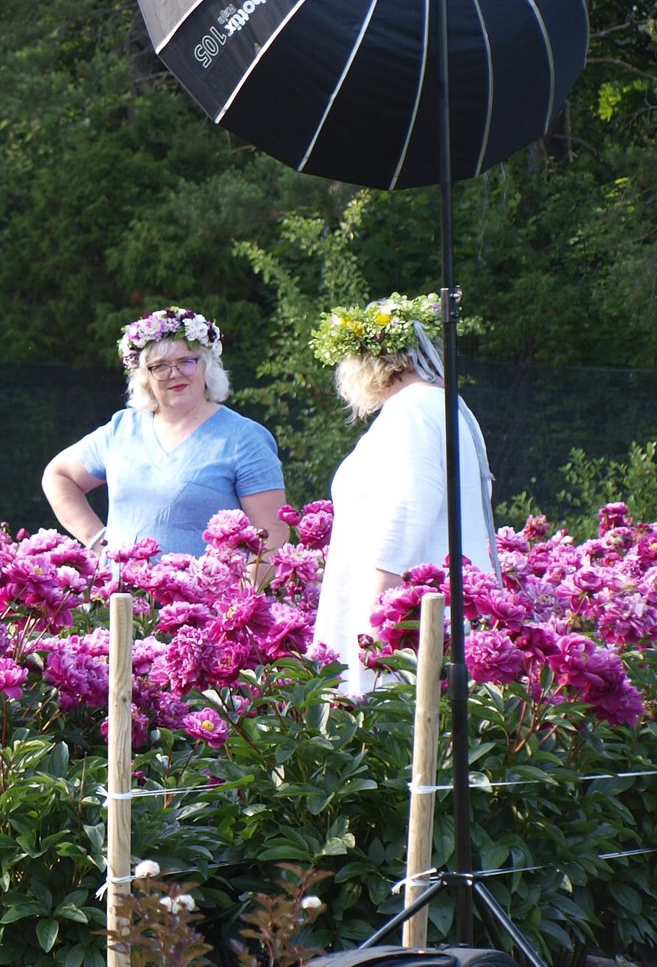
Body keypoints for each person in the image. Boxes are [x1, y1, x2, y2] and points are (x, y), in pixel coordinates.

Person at [311, 292, 498, 700]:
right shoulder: (445, 407)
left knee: (398, 728)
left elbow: (405, 517)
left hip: (408, 629)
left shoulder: (411, 411)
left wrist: (373, 633)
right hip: (441, 611)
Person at [43, 306, 289, 559]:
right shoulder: (122, 429)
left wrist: (245, 585)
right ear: (145, 376)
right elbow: (59, 475)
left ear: (206, 367)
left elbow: (271, 533)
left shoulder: (244, 438)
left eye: (186, 362)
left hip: (207, 585)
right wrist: (98, 542)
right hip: (121, 585)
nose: (174, 374)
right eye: (160, 366)